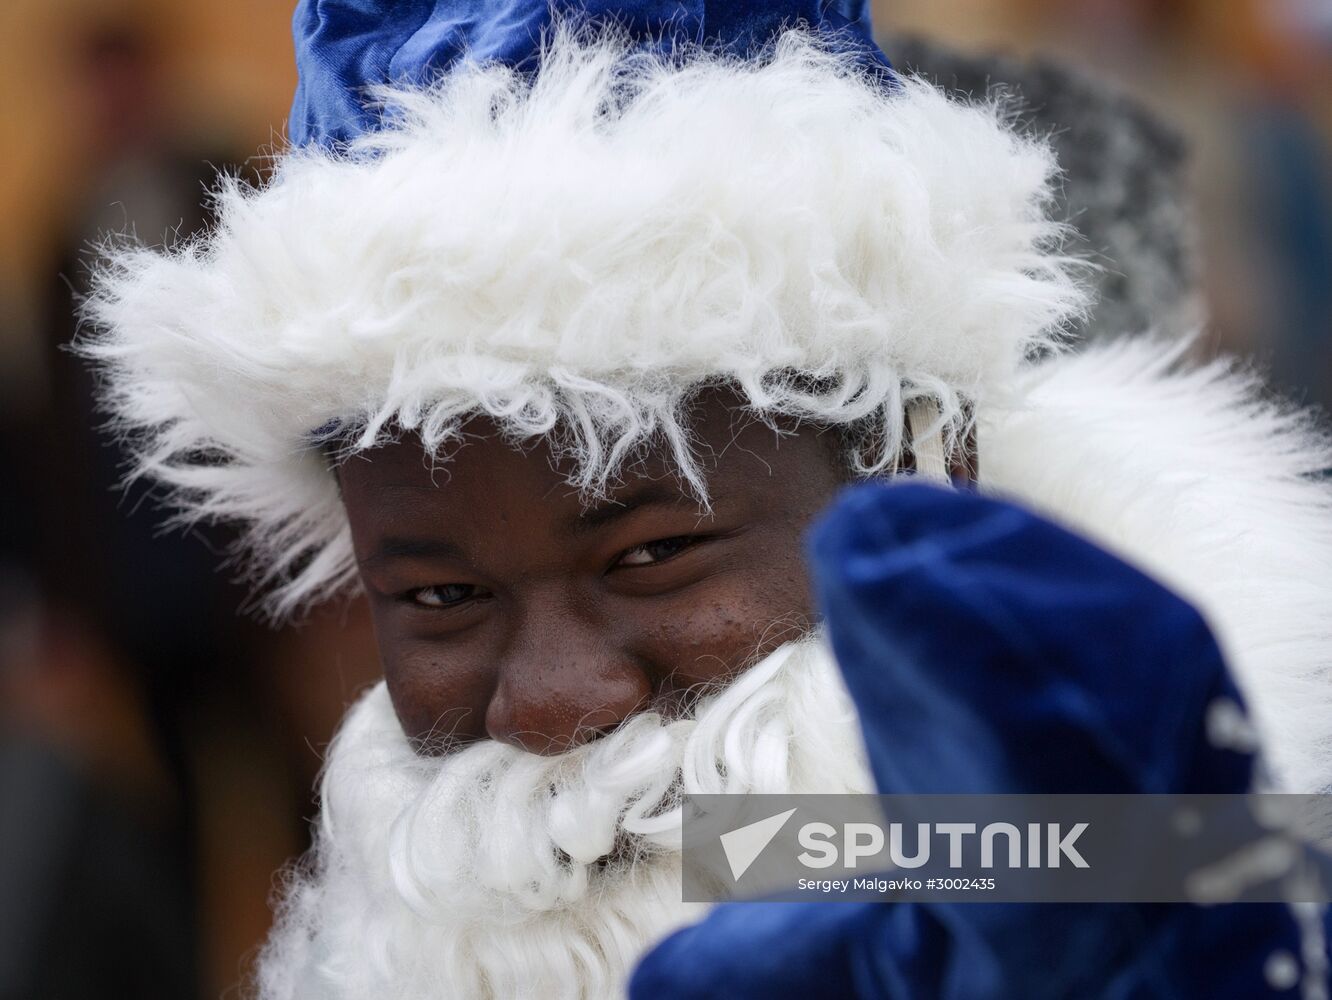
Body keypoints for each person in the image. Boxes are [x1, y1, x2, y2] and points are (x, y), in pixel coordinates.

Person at [78, 1, 1332, 997]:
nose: (556, 709)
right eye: (444, 597)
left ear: (922, 466)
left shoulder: (1151, 852)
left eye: (653, 554)